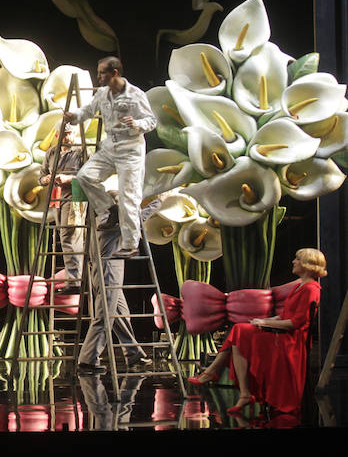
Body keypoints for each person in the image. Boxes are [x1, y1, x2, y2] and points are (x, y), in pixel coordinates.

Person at [188, 248, 326, 414]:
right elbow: (284, 315)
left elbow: (295, 323)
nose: (293, 262)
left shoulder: (311, 289)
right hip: (282, 334)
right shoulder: (300, 286)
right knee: (240, 332)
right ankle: (239, 390)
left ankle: (215, 375)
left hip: (290, 340)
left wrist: (265, 323)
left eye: (297, 259)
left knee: (239, 331)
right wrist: (264, 321)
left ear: (306, 264)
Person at [63, 56, 156, 257]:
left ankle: (130, 245)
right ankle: (109, 208)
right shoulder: (103, 94)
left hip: (130, 151)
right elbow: (88, 111)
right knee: (85, 177)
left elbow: (151, 120)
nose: (99, 77)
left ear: (114, 73)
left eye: (102, 73)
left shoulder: (135, 94)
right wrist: (74, 116)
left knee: (129, 196)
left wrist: (138, 124)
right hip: (109, 148)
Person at [77, 205, 150, 375]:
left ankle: (134, 354)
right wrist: (158, 202)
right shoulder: (106, 223)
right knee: (105, 316)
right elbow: (139, 217)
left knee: (121, 314)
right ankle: (88, 359)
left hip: (108, 268)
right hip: (108, 270)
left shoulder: (103, 221)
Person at [39, 126, 85, 293]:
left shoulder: (81, 152)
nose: (68, 138)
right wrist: (47, 178)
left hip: (75, 196)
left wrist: (69, 178)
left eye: (70, 134)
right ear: (57, 135)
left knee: (69, 235)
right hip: (57, 198)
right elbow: (41, 177)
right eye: (65, 135)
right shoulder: (52, 153)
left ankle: (75, 282)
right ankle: (74, 279)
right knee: (65, 236)